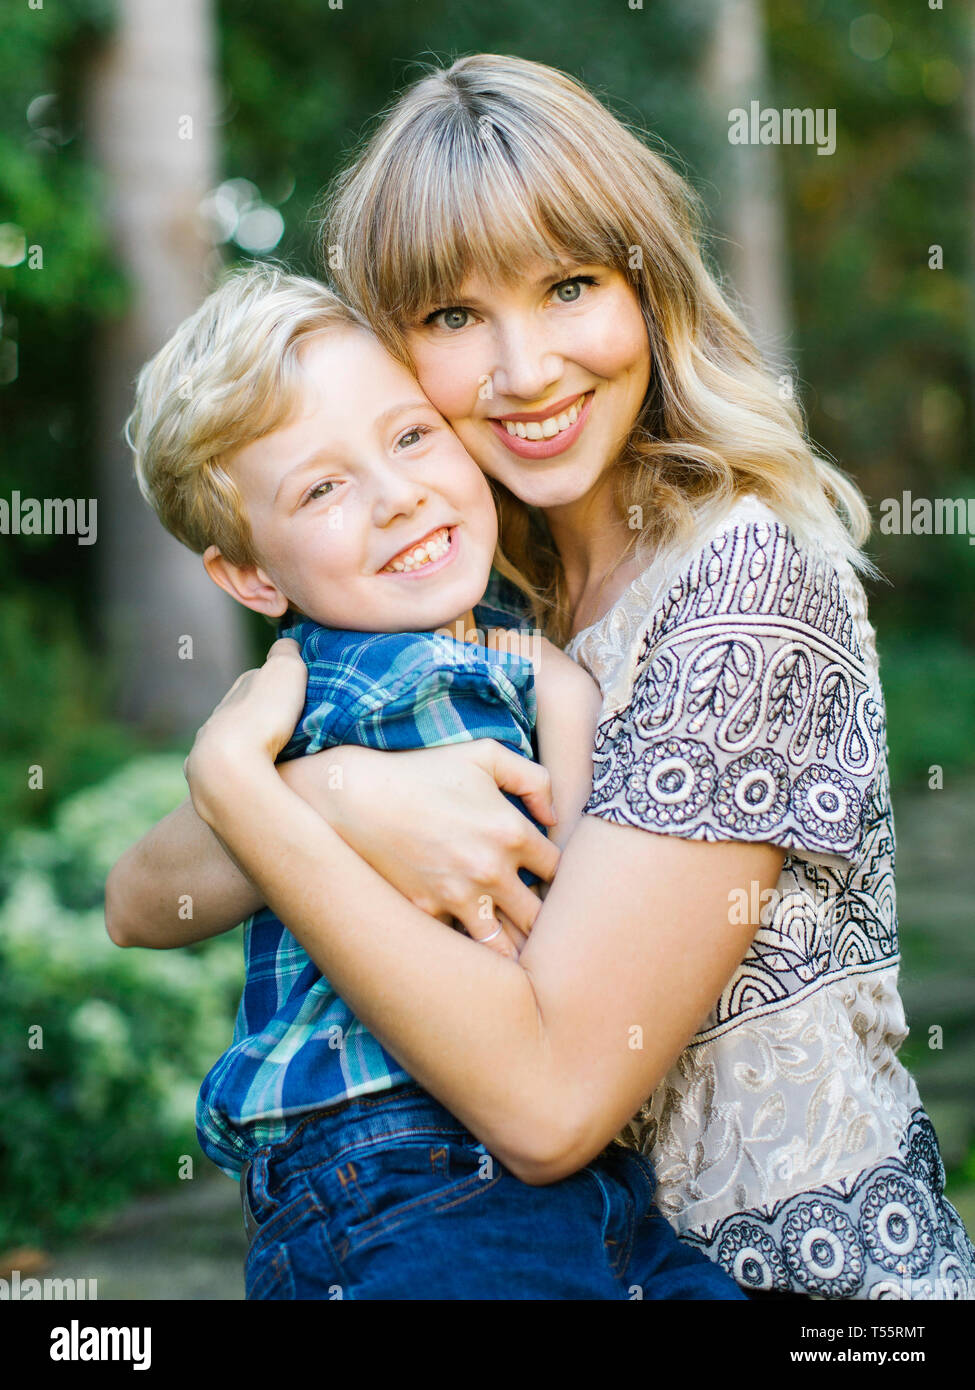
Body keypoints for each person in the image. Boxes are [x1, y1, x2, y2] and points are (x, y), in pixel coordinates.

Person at [108, 55, 975, 1300]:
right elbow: (141, 899)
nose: (525, 371)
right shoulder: (475, 586)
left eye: (569, 286)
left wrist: (259, 793)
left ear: (648, 287)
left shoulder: (742, 582)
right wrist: (338, 797)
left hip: (800, 1282)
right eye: (455, 317)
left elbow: (551, 1105)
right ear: (398, 351)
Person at [117, 262, 743, 1301]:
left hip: (593, 1179)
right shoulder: (291, 690)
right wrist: (300, 789)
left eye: (410, 436)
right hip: (374, 1176)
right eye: (321, 487)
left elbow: (587, 927)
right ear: (253, 576)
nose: (398, 494)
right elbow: (137, 905)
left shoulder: (548, 674)